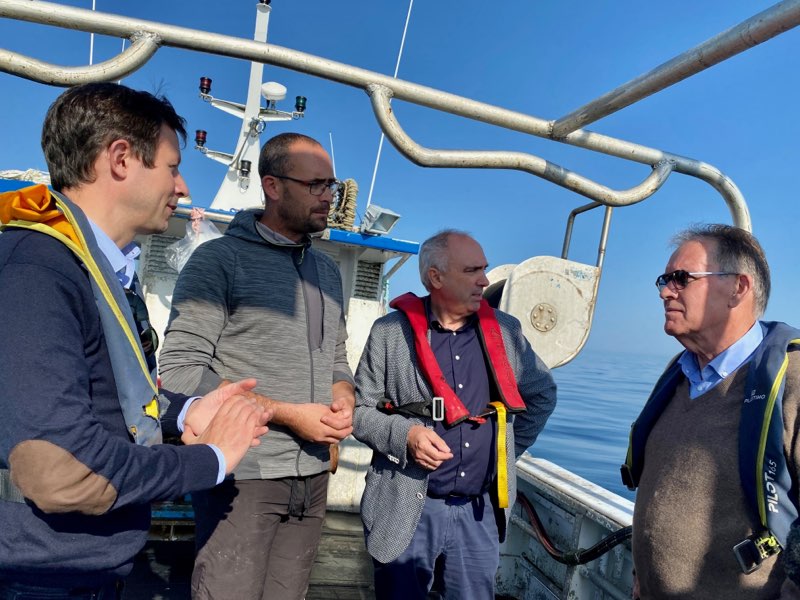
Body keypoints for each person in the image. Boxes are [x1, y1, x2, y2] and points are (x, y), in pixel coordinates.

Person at [0, 82, 271, 598]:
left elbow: (111, 393)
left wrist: (188, 412)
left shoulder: (92, 270)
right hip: (36, 579)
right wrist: (211, 458)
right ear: (121, 159)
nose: (184, 186)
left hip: (84, 571)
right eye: (171, 166)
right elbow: (62, 470)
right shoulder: (35, 272)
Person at [158, 132, 355, 600]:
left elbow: (338, 360)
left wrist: (343, 394)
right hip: (244, 477)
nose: (329, 196)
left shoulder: (327, 271)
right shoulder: (218, 260)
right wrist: (288, 414)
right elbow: (181, 371)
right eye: (316, 185)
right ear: (272, 185)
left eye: (333, 187)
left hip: (312, 477)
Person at [352, 229, 557, 599]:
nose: (485, 280)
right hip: (407, 506)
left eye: (485, 269)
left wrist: (504, 454)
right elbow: (360, 411)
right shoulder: (389, 333)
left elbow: (541, 396)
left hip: (478, 514)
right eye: (472, 270)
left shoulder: (506, 332)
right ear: (436, 277)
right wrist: (406, 437)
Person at [622, 224, 800, 599]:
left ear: (738, 287)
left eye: (682, 278)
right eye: (664, 280)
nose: (665, 291)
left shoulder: (791, 382)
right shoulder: (679, 373)